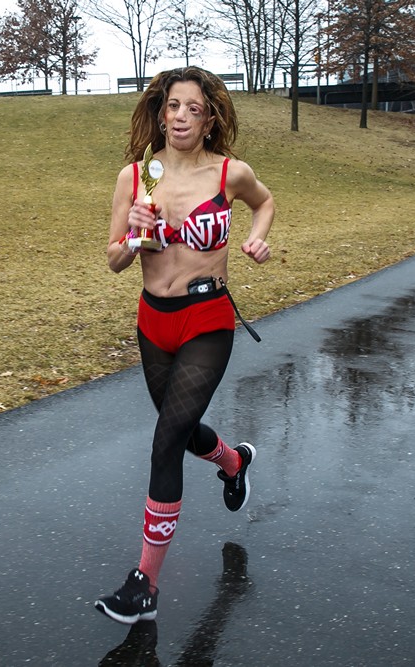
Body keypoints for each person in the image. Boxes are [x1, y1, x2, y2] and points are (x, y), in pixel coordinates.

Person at [94, 67, 275, 625]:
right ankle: (233, 461)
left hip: (207, 318)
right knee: (183, 428)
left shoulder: (229, 172)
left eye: (194, 108)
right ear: (159, 111)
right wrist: (134, 232)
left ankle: (145, 583)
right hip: (154, 322)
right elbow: (115, 260)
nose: (180, 116)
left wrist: (257, 237)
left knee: (166, 441)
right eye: (173, 105)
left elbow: (265, 202)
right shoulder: (137, 178)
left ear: (209, 117)